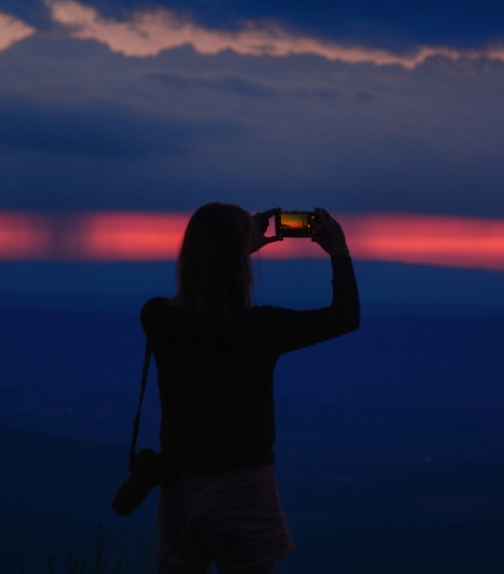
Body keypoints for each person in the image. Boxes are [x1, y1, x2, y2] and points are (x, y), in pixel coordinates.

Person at [141, 203, 360, 574]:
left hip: (179, 491)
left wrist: (231, 247)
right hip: (243, 489)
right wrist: (338, 250)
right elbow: (345, 316)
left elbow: (187, 302)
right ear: (240, 262)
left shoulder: (159, 318)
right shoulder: (259, 327)